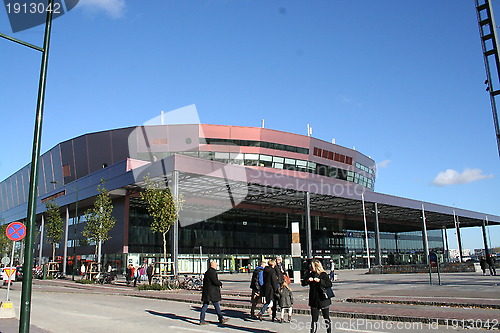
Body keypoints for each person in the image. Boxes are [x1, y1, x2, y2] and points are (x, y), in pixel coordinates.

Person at [302, 259, 332, 333]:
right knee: (314, 319)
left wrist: (320, 281)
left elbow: (329, 284)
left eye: (311, 266)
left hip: (323, 299)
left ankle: (329, 331)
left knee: (326, 318)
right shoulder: (310, 274)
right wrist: (308, 280)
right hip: (314, 299)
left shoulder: (323, 274)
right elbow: (303, 283)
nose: (310, 268)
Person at [200, 261, 229, 325]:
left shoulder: (207, 272)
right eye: (216, 265)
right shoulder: (212, 272)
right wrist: (220, 283)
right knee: (216, 305)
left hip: (207, 292)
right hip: (212, 292)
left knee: (205, 306)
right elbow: (214, 281)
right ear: (212, 265)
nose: (216, 266)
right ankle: (221, 318)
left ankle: (202, 320)